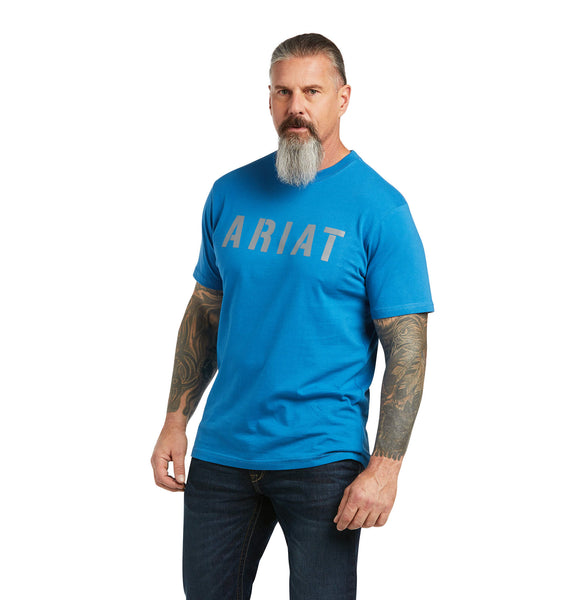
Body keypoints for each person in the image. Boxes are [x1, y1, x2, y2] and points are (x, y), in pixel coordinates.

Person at [151, 33, 434, 600]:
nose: (295, 107)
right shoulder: (229, 193)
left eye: (312, 91)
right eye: (283, 92)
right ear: (269, 98)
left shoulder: (380, 208)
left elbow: (407, 348)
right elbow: (205, 313)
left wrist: (386, 467)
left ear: (343, 98)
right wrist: (175, 421)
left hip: (322, 458)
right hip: (222, 452)